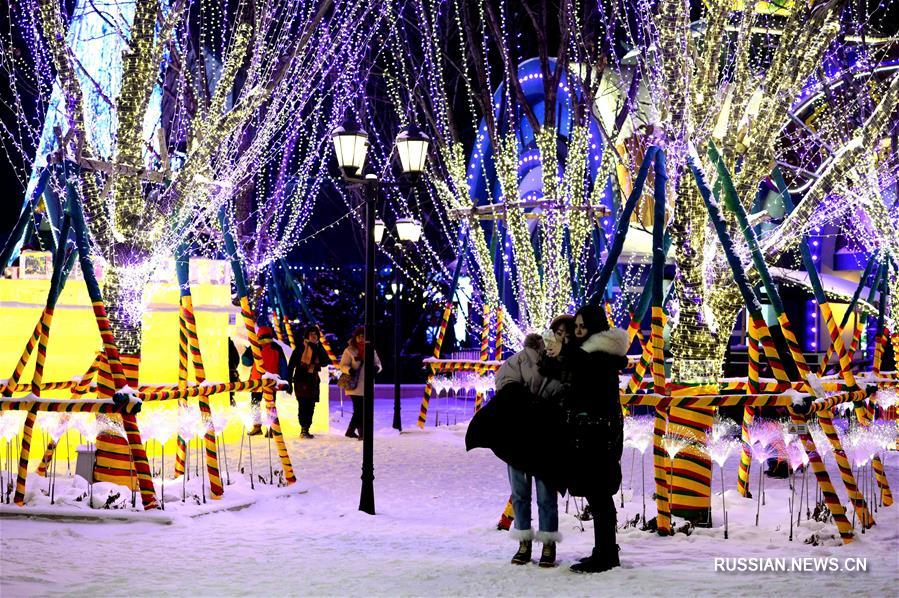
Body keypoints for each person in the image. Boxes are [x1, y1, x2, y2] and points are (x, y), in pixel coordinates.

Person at [564, 304, 629, 574]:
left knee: (599, 495)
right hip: (599, 433)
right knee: (599, 495)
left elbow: (591, 397)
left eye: (583, 326)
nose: (578, 331)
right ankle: (604, 550)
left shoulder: (592, 358)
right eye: (576, 326)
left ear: (594, 328)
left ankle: (605, 554)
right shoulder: (596, 355)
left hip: (597, 435)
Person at [494, 332, 562, 568]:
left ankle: (526, 543)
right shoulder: (553, 364)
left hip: (519, 436)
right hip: (541, 436)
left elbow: (504, 386)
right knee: (543, 494)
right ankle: (546, 543)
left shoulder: (515, 362)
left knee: (523, 493)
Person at [287, 325, 331, 439]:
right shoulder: (301, 348)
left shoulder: (319, 347)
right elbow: (291, 365)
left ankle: (307, 427)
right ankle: (303, 428)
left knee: (311, 405)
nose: (313, 336)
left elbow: (325, 362)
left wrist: (318, 348)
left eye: (315, 334)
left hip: (313, 381)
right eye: (311, 334)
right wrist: (288, 382)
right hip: (300, 380)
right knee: (302, 404)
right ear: (307, 335)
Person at [244, 326, 288, 436]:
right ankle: (272, 428)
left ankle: (257, 426)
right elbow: (283, 365)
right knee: (271, 404)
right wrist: (282, 380)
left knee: (255, 403)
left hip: (257, 381)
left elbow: (246, 362)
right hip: (272, 381)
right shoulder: (277, 347)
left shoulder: (255, 346)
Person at [339, 326, 381, 440]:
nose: (361, 338)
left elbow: (378, 363)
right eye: (359, 336)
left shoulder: (371, 350)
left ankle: (350, 431)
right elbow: (342, 365)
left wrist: (377, 368)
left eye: (363, 336)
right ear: (355, 337)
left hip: (367, 385)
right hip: (354, 385)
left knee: (362, 410)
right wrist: (349, 370)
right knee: (359, 410)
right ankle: (362, 433)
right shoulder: (350, 350)